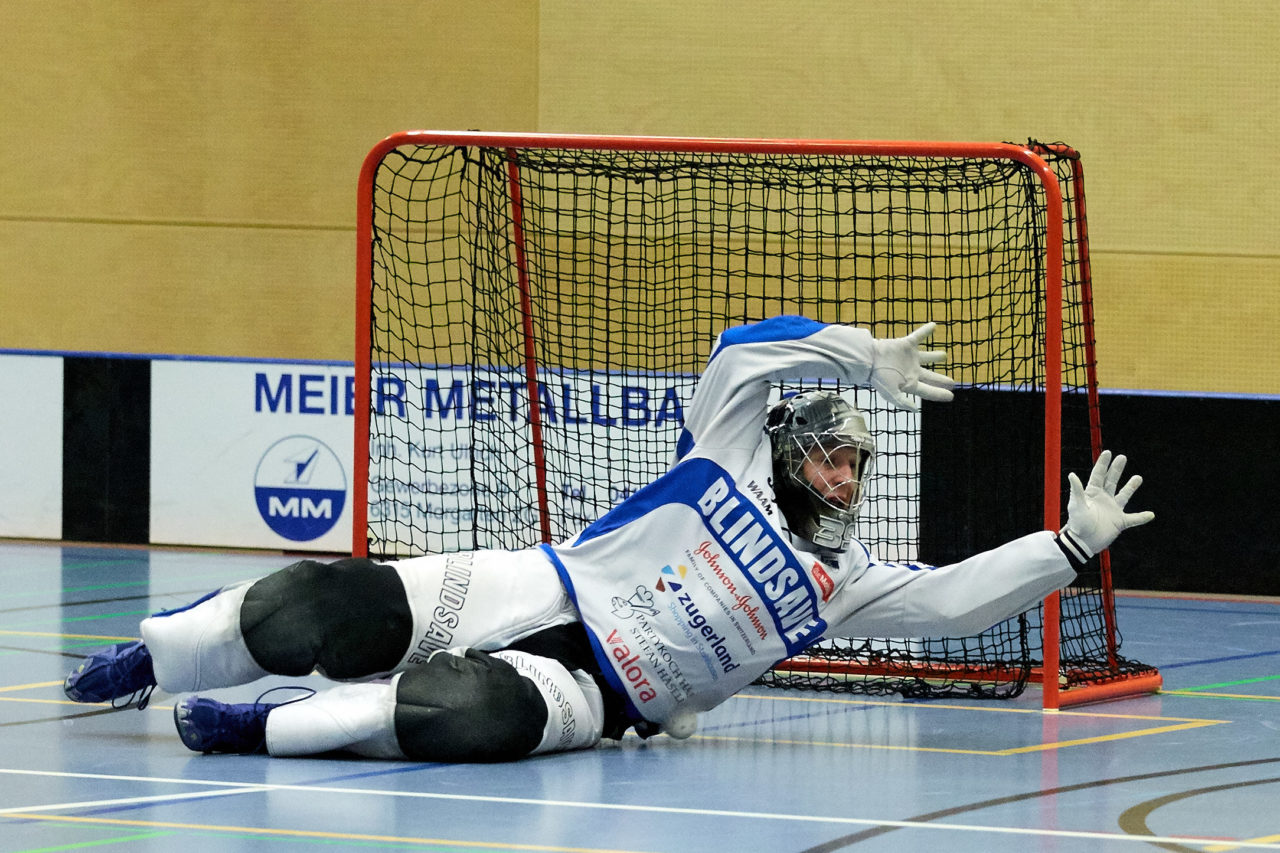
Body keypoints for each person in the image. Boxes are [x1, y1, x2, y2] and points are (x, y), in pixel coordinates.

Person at [63, 315, 1154, 762]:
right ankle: (150, 659)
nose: (843, 477)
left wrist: (1067, 542)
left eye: (855, 465)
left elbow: (959, 598)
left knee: (459, 712)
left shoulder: (846, 581)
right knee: (313, 608)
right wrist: (854, 354)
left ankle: (261, 734)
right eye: (830, 455)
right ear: (787, 451)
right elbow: (736, 354)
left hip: (602, 691)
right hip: (529, 580)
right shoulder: (728, 448)